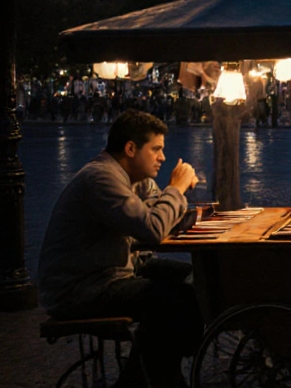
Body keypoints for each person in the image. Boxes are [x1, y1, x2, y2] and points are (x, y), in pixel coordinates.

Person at [37, 109, 202, 388]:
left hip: (118, 269)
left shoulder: (138, 181)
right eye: (156, 149)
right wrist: (176, 189)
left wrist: (173, 199)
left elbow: (154, 217)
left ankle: (146, 372)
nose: (162, 157)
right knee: (174, 299)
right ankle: (154, 378)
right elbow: (152, 227)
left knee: (195, 278)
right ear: (130, 148)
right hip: (83, 286)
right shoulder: (101, 178)